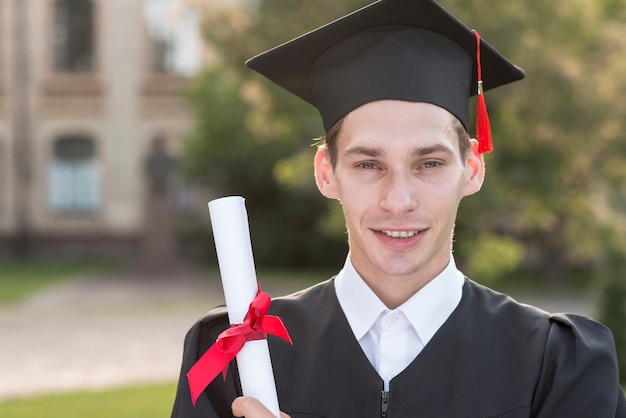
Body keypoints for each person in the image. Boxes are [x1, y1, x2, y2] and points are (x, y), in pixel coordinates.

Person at [172, 0, 626, 416]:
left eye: (428, 163)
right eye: (369, 164)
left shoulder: (556, 365)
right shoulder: (238, 356)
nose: (399, 200)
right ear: (327, 173)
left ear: (472, 168)